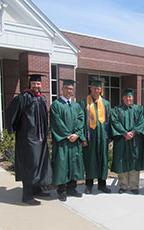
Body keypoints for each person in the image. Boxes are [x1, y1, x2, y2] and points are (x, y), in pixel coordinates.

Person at [6, 74, 52, 205]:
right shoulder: (23, 97)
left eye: (38, 84)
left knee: (40, 164)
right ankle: (27, 196)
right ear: (29, 84)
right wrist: (12, 129)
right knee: (30, 165)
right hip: (28, 139)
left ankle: (37, 189)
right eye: (34, 83)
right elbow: (11, 113)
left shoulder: (41, 98)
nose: (36, 86)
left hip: (41, 138)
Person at [50, 79, 85, 201]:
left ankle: (72, 188)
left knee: (74, 165)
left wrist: (77, 134)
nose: (69, 91)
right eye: (67, 88)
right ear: (62, 89)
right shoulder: (56, 105)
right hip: (63, 142)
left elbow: (81, 120)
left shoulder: (76, 105)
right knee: (62, 165)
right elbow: (57, 123)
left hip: (74, 141)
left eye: (71, 89)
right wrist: (67, 135)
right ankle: (62, 191)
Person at [110, 88, 144, 194]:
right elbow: (115, 122)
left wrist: (133, 132)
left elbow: (141, 122)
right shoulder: (117, 110)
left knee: (134, 160)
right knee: (121, 160)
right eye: (126, 97)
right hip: (121, 140)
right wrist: (124, 133)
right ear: (123, 98)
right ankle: (123, 185)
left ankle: (134, 186)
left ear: (133, 98)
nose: (128, 98)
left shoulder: (138, 109)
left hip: (135, 140)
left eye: (130, 97)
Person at [79, 79, 111, 194]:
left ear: (101, 90)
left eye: (98, 88)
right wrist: (82, 138)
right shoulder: (84, 103)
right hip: (90, 137)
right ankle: (89, 185)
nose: (96, 90)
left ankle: (102, 184)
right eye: (94, 88)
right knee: (90, 160)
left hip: (103, 137)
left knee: (103, 159)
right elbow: (80, 121)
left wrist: (109, 138)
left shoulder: (106, 104)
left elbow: (109, 121)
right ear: (90, 89)